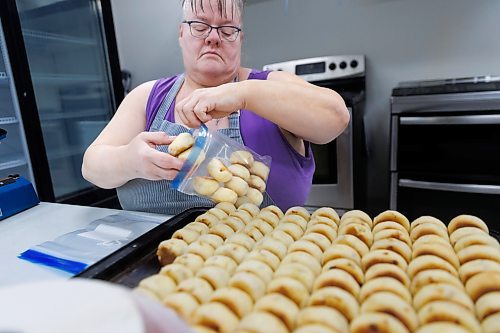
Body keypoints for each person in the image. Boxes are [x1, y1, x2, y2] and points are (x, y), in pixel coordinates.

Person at [82, 0, 349, 215]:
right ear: (181, 33)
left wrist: (242, 93)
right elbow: (91, 166)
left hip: (265, 264)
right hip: (148, 263)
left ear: (240, 38)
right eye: (200, 26)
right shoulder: (148, 96)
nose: (213, 38)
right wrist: (128, 161)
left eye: (227, 29)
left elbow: (336, 117)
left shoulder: (268, 87)